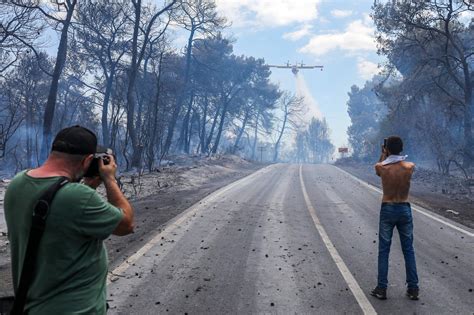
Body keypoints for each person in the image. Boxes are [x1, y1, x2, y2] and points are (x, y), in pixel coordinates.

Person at [4, 125, 134, 314]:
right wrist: (109, 180)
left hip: (31, 307)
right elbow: (126, 225)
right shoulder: (77, 197)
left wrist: (87, 186)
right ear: (89, 159)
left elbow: (58, 219)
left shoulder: (17, 183)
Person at [370, 136, 419, 301]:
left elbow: (379, 166)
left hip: (388, 208)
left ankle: (381, 288)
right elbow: (404, 163)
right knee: (408, 250)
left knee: (384, 250)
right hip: (404, 208)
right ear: (402, 148)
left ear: (387, 149)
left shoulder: (382, 168)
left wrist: (383, 154)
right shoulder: (410, 167)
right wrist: (391, 153)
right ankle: (413, 288)